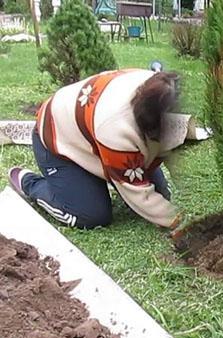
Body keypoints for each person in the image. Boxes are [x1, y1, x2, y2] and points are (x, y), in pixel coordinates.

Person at [8, 69, 181, 231]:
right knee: (92, 215)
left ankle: (102, 174)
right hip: (58, 139)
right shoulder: (116, 129)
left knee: (161, 196)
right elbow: (138, 194)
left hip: (92, 134)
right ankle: (29, 183)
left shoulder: (162, 89)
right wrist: (183, 222)